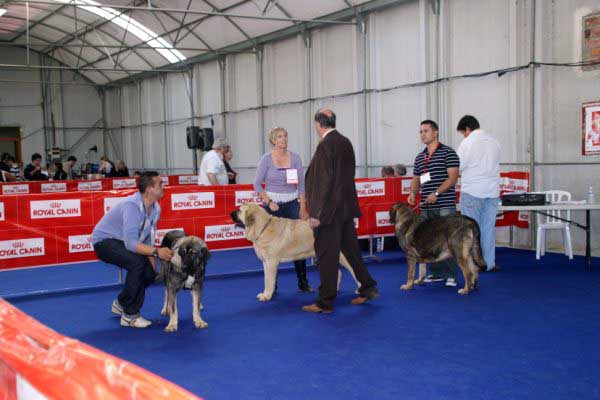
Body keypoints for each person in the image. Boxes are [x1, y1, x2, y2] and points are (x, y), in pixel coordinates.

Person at [302, 109, 379, 313]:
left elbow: (322, 182)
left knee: (327, 255)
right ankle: (368, 287)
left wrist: (315, 213)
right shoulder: (345, 142)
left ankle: (324, 302)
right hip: (345, 208)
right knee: (352, 251)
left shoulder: (326, 145)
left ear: (319, 124)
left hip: (328, 211)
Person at [92, 171, 173, 328]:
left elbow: (147, 239)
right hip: (104, 242)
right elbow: (130, 244)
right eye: (160, 184)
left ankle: (121, 303)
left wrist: (152, 265)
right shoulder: (132, 205)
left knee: (149, 275)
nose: (164, 186)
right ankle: (130, 315)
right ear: (149, 189)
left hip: (122, 242)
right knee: (137, 264)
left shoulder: (156, 208)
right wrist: (157, 252)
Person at [253, 127, 312, 292]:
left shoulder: (295, 158)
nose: (283, 139)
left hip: (292, 203)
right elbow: (257, 185)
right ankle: (272, 286)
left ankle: (303, 282)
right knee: (271, 248)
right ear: (273, 140)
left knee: (298, 242)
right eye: (279, 137)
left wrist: (303, 205)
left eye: (285, 136)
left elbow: (301, 184)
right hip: (272, 205)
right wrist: (269, 202)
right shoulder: (265, 159)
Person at [408, 120, 460, 286]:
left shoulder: (448, 153)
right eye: (421, 131)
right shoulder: (420, 157)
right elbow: (416, 179)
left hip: (444, 204)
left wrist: (436, 193)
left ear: (436, 132)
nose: (423, 134)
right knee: (429, 241)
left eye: (426, 131)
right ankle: (437, 273)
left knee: (448, 240)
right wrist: (413, 193)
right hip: (426, 206)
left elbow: (452, 178)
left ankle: (451, 274)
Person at [456, 115, 501, 272]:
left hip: (473, 191)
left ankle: (474, 265)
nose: (464, 135)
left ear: (468, 128)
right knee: (488, 228)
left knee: (470, 231)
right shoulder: (495, 142)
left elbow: (458, 167)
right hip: (493, 191)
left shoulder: (467, 143)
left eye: (463, 132)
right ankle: (489, 263)